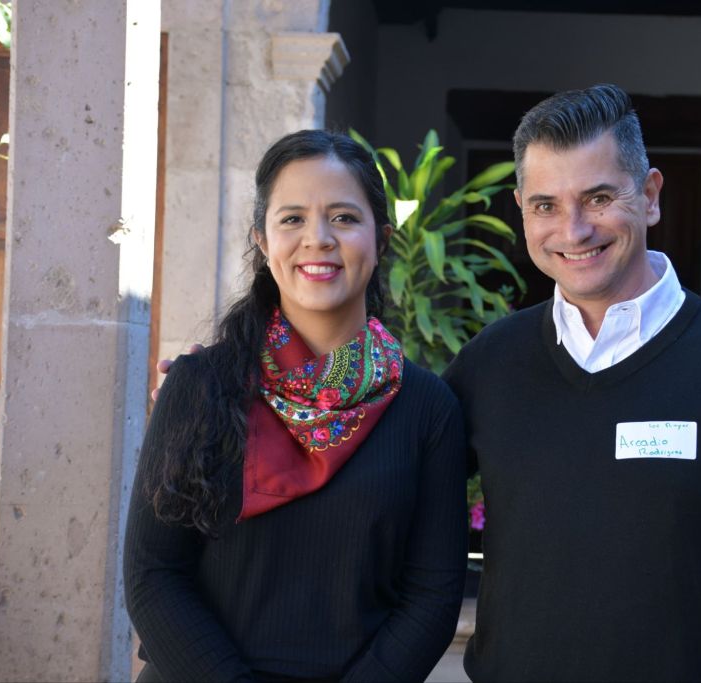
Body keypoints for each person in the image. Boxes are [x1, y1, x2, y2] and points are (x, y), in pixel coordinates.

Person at [440, 84, 701, 681]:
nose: (574, 231)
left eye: (599, 198)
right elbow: (395, 504)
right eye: (546, 205)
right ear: (522, 208)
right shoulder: (488, 364)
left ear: (650, 196)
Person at [124, 130, 468, 682]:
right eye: (292, 219)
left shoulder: (427, 409)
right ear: (262, 241)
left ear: (381, 239)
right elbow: (153, 575)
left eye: (343, 218)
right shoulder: (201, 384)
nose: (318, 239)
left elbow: (431, 596)